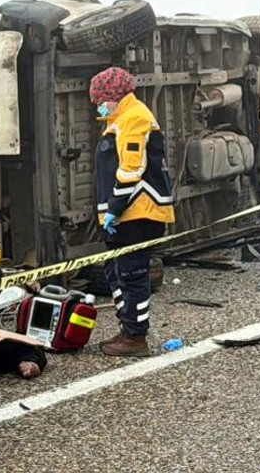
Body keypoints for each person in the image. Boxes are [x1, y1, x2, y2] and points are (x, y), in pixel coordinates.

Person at [90, 67, 175, 357]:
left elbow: (131, 169)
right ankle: (127, 327)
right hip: (127, 214)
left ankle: (136, 337)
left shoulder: (134, 117)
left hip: (139, 213)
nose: (97, 106)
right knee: (114, 270)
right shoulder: (120, 119)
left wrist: (114, 209)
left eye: (100, 100)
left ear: (113, 96)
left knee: (131, 274)